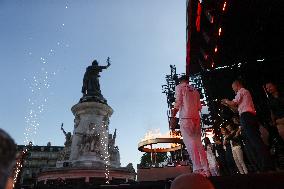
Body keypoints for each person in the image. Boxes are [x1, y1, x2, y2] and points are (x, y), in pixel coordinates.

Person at [222, 79, 273, 171]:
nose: (234, 90)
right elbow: (236, 110)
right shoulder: (245, 94)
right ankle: (266, 163)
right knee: (257, 140)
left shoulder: (242, 91)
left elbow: (234, 102)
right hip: (250, 116)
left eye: (233, 88)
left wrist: (226, 101)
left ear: (237, 85)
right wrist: (228, 105)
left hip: (246, 117)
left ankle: (266, 165)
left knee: (255, 141)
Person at [171, 75, 210, 177]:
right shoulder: (195, 90)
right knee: (198, 143)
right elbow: (199, 107)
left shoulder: (179, 87)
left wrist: (173, 116)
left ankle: (198, 169)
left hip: (185, 118)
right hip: (196, 118)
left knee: (190, 143)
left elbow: (178, 102)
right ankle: (206, 169)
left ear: (180, 81)